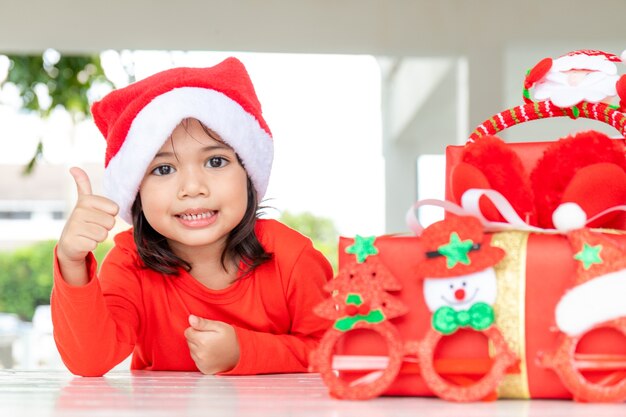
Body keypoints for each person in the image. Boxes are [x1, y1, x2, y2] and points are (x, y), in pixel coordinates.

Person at [51, 57, 333, 377]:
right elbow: (89, 361)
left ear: (248, 173)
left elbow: (333, 350)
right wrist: (71, 261)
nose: (193, 187)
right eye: (164, 169)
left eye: (215, 162)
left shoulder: (294, 258)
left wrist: (245, 351)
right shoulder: (129, 262)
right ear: (136, 192)